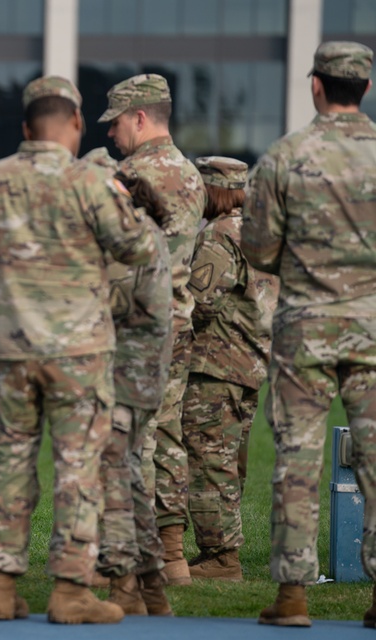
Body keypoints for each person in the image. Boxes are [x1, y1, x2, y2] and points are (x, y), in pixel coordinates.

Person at [0, 75, 157, 625]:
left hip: (13, 351)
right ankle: (70, 591)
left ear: (26, 127)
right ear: (75, 123)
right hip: (79, 352)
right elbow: (138, 247)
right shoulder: (89, 181)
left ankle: (1, 588)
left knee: (9, 466)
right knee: (78, 472)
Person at [243, 41, 376, 627]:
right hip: (373, 325)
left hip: (305, 330)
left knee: (296, 459)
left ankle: (293, 596)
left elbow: (259, 248)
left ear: (316, 86)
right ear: (365, 89)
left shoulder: (285, 156)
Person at [98, 74, 207, 585]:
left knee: (127, 441)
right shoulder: (191, 174)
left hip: (132, 325)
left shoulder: (130, 176)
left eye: (116, 123)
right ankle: (172, 555)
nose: (111, 134)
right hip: (178, 323)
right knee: (167, 438)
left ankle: (124, 559)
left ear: (140, 118)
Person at [82, 148, 174, 616]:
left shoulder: (130, 235)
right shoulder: (142, 229)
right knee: (131, 476)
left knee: (111, 471)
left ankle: (123, 584)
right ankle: (152, 586)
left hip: (126, 374)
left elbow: (113, 300)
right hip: (139, 374)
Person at [182, 157, 278, 581]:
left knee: (206, 460)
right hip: (252, 365)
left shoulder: (220, 235)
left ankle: (221, 557)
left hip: (216, 367)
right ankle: (223, 550)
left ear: (214, 191)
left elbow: (199, 302)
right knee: (229, 460)